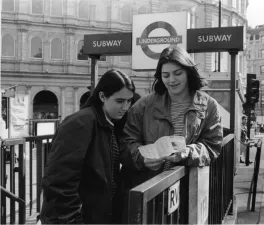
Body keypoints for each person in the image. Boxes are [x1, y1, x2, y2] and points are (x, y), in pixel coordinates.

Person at [119, 45, 223, 204]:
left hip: (188, 191)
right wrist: (142, 158)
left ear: (189, 72)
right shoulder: (143, 106)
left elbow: (212, 146)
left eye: (178, 73)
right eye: (165, 75)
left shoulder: (209, 105)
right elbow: (126, 143)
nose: (172, 80)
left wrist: (188, 152)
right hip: (150, 191)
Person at [39, 69, 135, 224]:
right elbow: (58, 182)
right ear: (102, 96)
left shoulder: (107, 122)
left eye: (129, 101)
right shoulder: (80, 123)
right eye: (120, 101)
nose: (125, 107)